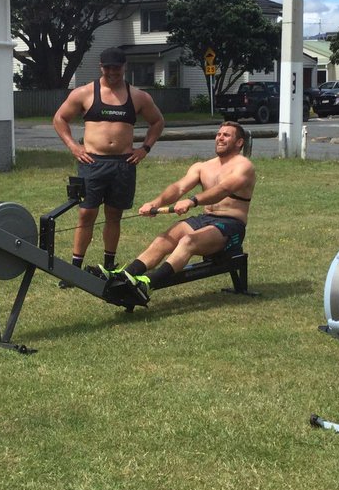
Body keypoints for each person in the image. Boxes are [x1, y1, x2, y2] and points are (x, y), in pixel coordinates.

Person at [52, 46, 165, 282]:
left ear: (124, 67)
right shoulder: (85, 93)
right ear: (101, 67)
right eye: (108, 67)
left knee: (114, 214)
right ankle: (74, 269)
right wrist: (73, 146)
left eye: (117, 68)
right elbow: (60, 118)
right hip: (92, 162)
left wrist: (144, 148)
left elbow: (157, 122)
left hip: (123, 164)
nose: (112, 72)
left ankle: (109, 266)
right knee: (86, 213)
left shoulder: (138, 96)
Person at [112, 121, 255, 303]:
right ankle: (126, 275)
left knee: (188, 241)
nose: (220, 138)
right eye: (218, 134)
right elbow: (178, 188)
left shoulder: (244, 166)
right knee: (165, 239)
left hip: (230, 224)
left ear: (239, 142)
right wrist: (155, 203)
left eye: (226, 135)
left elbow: (224, 189)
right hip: (205, 218)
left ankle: (148, 284)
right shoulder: (203, 166)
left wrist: (192, 200)